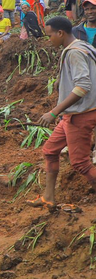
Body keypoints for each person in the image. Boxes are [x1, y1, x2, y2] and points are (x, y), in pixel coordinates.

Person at [30, 16, 96, 213]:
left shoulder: (75, 52)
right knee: (50, 151)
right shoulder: (82, 47)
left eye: (50, 35)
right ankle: (48, 197)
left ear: (60, 33)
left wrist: (54, 112)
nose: (48, 39)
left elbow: (83, 86)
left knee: (80, 163)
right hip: (71, 115)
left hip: (80, 114)